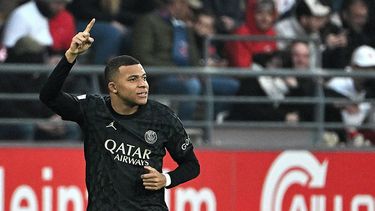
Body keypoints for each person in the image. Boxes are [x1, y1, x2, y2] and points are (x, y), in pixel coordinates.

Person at [39, 19, 200, 210]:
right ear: (113, 87)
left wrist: (166, 178)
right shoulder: (93, 109)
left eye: (144, 78)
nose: (143, 84)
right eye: (133, 79)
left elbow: (192, 165)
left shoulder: (163, 117)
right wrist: (70, 55)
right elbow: (49, 96)